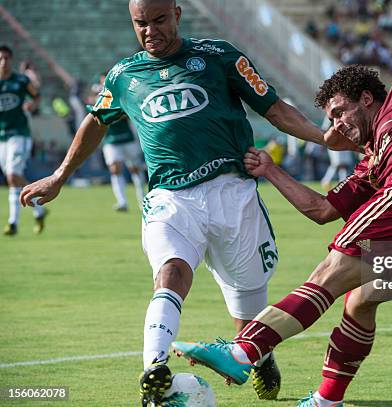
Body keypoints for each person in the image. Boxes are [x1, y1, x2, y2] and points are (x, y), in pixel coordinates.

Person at [19, 0, 352, 404]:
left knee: (247, 313)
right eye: (140, 24)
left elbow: (274, 109)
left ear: (177, 14)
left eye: (158, 20)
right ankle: (154, 369)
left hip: (234, 193)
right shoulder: (124, 76)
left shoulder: (220, 56)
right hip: (170, 199)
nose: (150, 31)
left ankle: (260, 358)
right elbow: (95, 121)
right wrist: (59, 176)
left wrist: (324, 137)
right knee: (172, 272)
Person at [171, 65, 392, 406]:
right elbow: (321, 210)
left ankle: (243, 350)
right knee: (360, 300)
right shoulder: (369, 164)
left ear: (367, 98)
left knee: (328, 273)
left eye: (340, 112)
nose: (337, 124)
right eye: (331, 119)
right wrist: (270, 170)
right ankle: (328, 398)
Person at [0, 45, 48, 236]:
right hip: (1, 137)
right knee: (13, 180)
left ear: (11, 60)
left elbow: (36, 96)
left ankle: (13, 222)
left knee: (12, 175)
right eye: (0, 58)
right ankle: (39, 209)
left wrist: (32, 105)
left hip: (19, 134)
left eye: (6, 58)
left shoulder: (20, 80)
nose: (3, 62)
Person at [95, 72, 147, 211]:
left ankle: (143, 200)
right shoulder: (99, 97)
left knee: (134, 169)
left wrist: (116, 114)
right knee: (114, 168)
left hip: (126, 137)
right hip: (110, 139)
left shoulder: (122, 93)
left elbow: (129, 113)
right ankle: (122, 202)